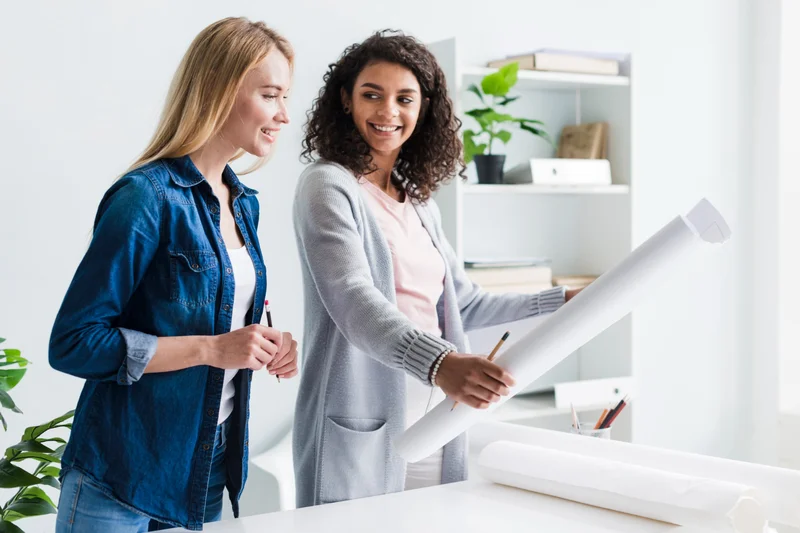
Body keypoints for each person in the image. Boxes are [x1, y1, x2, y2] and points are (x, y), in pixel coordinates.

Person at [292, 30, 580, 508]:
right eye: (372, 95)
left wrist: (560, 301)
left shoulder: (418, 201)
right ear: (345, 100)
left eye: (405, 99)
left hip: (438, 421)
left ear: (423, 109)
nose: (388, 112)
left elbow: (464, 303)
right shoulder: (327, 185)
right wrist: (440, 363)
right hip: (363, 426)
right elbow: (352, 298)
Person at [49, 17, 298, 532]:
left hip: (204, 471)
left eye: (284, 97)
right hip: (121, 473)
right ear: (220, 89)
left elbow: (218, 313)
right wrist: (211, 348)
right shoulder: (145, 197)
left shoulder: (244, 205)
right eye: (271, 95)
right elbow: (74, 342)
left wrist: (266, 344)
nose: (283, 115)